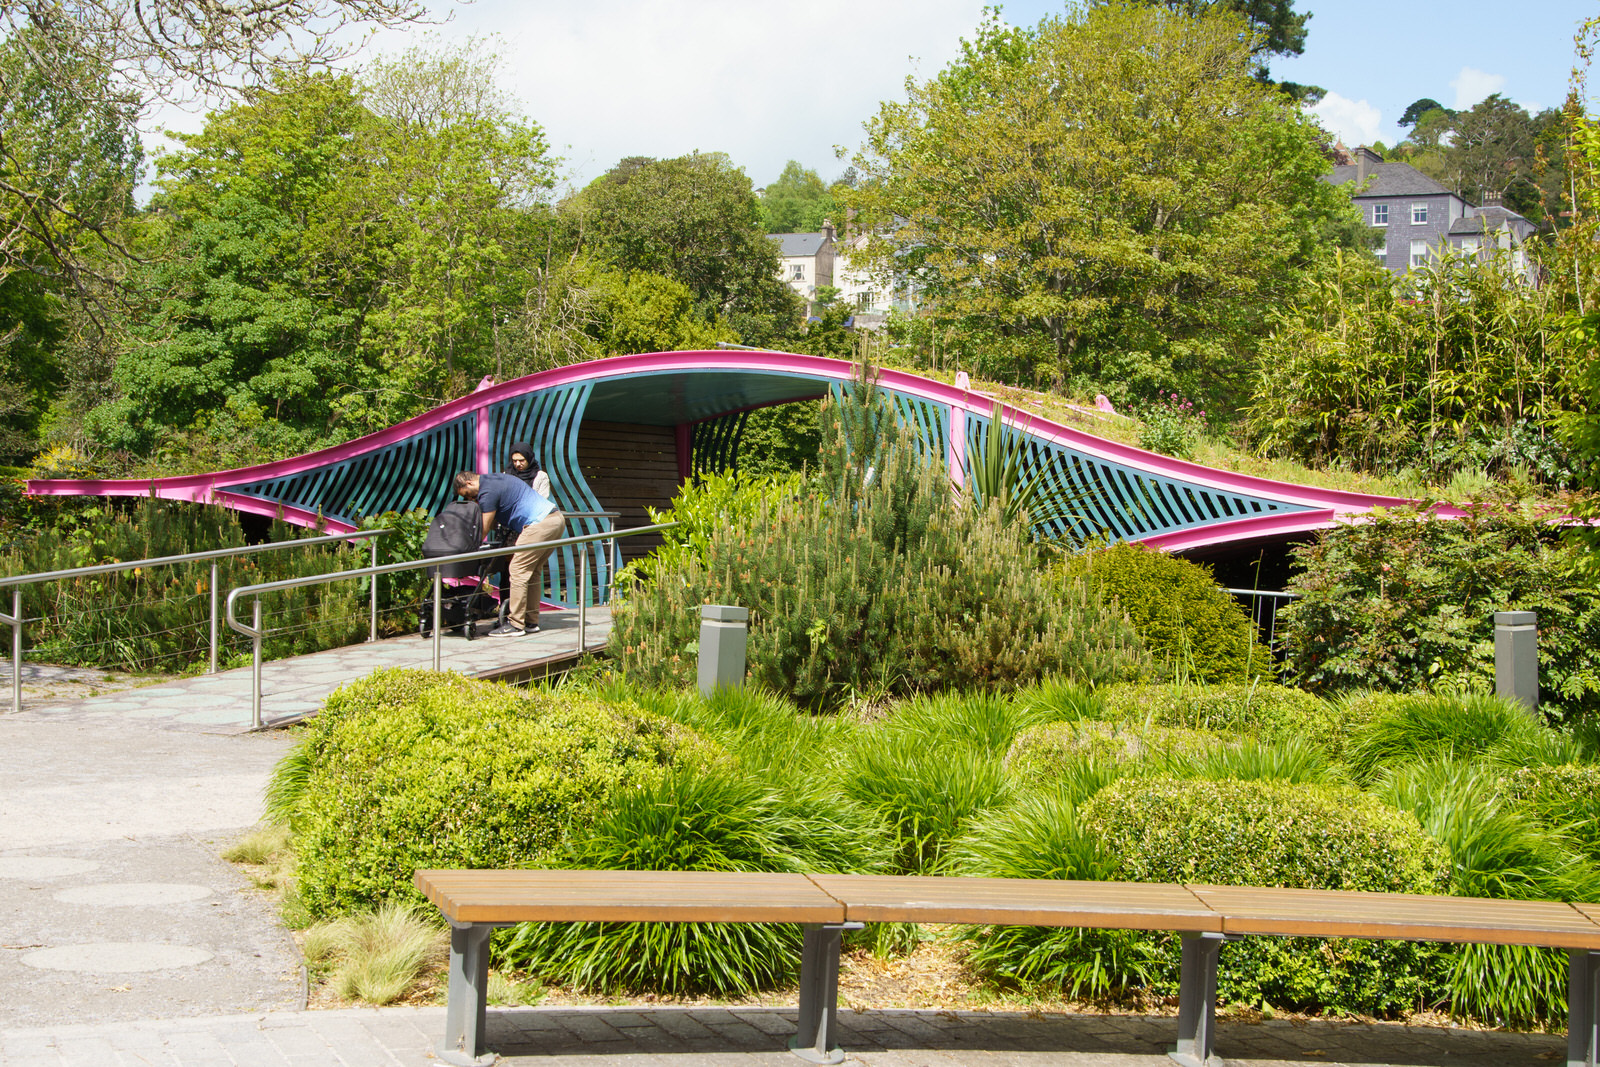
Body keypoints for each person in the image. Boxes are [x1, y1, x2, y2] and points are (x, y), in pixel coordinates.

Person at [453, 471, 565, 637]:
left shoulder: (487, 491)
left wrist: (468, 548)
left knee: (517, 569)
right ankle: (530, 622)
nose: (470, 499)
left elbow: (485, 527)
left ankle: (515, 624)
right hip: (556, 520)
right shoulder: (496, 479)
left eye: (468, 495)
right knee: (532, 571)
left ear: (468, 483)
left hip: (539, 524)